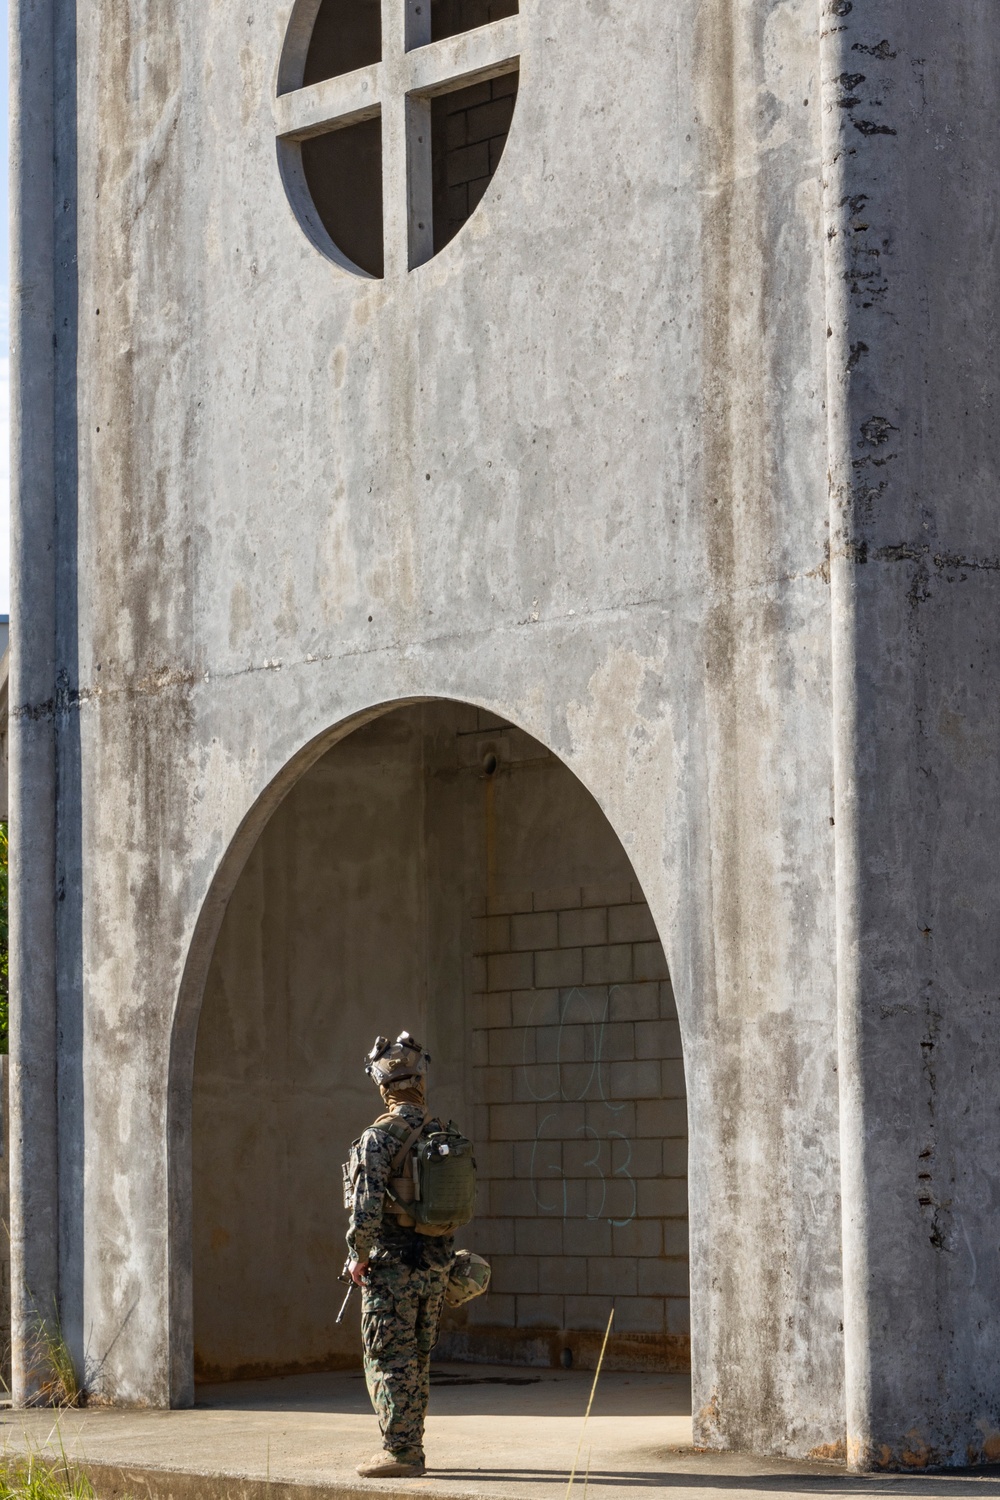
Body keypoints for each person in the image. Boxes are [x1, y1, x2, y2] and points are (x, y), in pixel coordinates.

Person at [346, 1032, 454, 1479]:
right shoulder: (442, 1132)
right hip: (435, 1264)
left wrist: (357, 1256)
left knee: (389, 1357)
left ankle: (402, 1451)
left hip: (392, 1268)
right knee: (418, 1357)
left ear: (384, 1086)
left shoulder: (378, 1138)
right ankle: (412, 1445)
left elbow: (366, 1210)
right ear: (420, 1081)